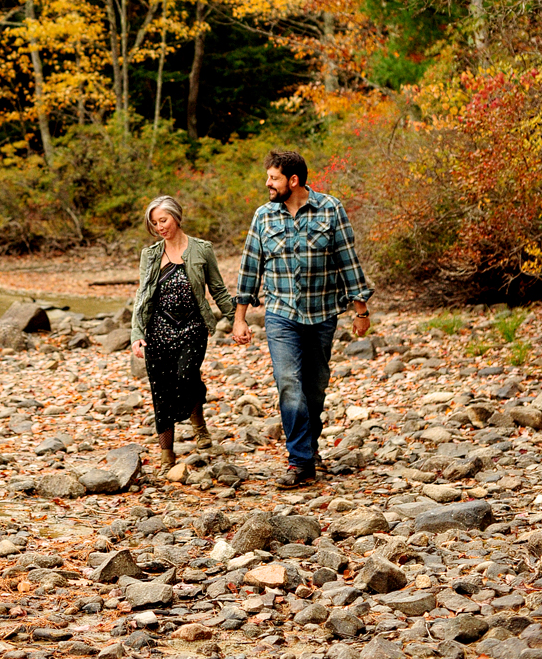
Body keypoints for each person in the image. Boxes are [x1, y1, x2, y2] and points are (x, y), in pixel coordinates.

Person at [233, 149, 372, 487]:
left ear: (293, 181)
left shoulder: (331, 209)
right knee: (289, 385)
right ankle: (299, 462)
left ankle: (308, 450)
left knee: (314, 389)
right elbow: (250, 268)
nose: (267, 183)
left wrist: (361, 310)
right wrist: (240, 318)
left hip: (323, 314)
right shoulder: (263, 216)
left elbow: (347, 260)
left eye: (273, 178)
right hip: (281, 315)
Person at [131, 195, 236, 474]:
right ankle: (167, 456)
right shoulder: (150, 255)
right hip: (158, 330)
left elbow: (219, 290)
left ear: (176, 216)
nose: (159, 227)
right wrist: (137, 334)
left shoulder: (202, 249)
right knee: (160, 392)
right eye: (154, 223)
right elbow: (142, 297)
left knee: (186, 376)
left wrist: (237, 320)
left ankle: (198, 424)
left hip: (193, 327)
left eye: (163, 220)